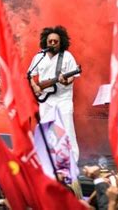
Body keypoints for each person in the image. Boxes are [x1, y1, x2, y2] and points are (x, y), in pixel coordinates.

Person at [28, 26, 80, 161]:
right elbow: (30, 75)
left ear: (61, 42)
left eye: (55, 41)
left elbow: (71, 78)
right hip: (46, 100)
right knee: (46, 130)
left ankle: (72, 160)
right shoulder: (39, 56)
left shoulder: (67, 57)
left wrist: (64, 81)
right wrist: (35, 87)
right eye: (50, 41)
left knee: (67, 129)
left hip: (63, 98)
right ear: (45, 41)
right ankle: (47, 160)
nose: (52, 44)